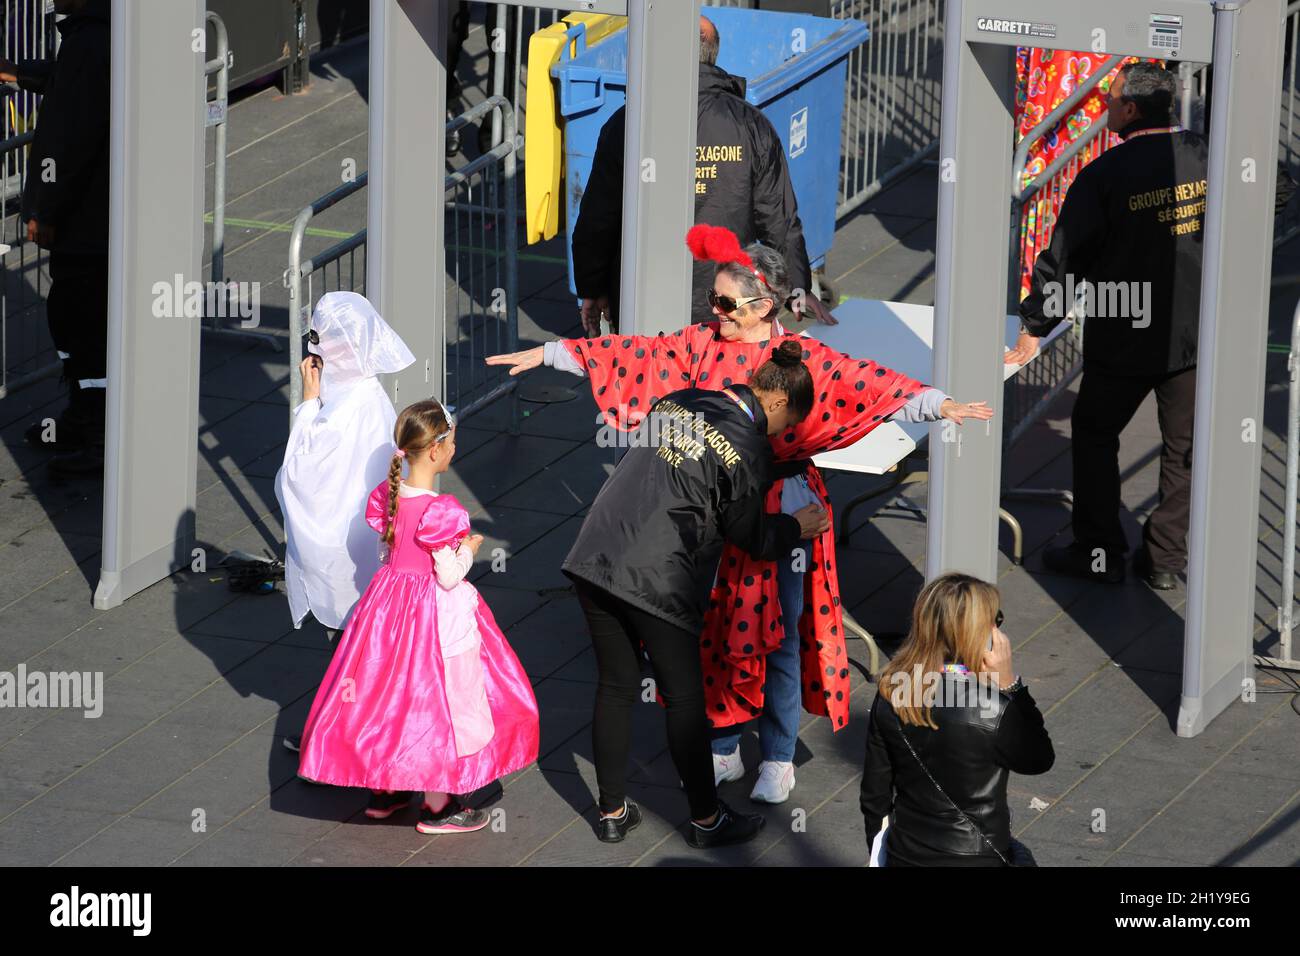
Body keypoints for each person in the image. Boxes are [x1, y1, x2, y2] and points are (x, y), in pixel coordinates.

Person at [488, 226, 993, 804]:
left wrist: (935, 403)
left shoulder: (799, 360)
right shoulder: (701, 344)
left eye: (727, 303)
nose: (715, 311)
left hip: (784, 507)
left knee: (780, 635)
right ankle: (724, 744)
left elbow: (866, 382)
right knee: (714, 628)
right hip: (714, 512)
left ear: (765, 305)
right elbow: (640, 356)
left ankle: (777, 757)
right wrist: (556, 353)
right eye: (714, 299)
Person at [563, 341, 831, 847]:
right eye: (786, 423)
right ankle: (708, 820)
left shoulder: (679, 399)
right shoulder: (750, 448)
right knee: (685, 699)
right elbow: (749, 535)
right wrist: (795, 526)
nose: (782, 434)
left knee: (616, 685)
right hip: (658, 576)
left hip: (596, 552)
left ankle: (612, 811)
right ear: (775, 404)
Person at [297, 399, 540, 832]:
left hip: (386, 606)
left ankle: (386, 791)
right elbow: (447, 576)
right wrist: (468, 549)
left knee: (387, 695)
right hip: (431, 611)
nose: (454, 451)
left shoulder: (388, 497)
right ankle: (439, 805)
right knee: (437, 701)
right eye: (452, 444)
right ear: (435, 452)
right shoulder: (442, 511)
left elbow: (386, 553)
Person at [1006, 62, 1201, 589]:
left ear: (1131, 110)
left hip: (1126, 333)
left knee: (1095, 435)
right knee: (1183, 448)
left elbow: (1068, 259)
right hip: (1195, 334)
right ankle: (1164, 560)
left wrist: (1034, 326)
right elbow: (1274, 190)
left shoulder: (1107, 175)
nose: (1107, 107)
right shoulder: (1211, 158)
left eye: (1111, 100)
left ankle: (1099, 553)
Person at [569, 15, 835, 334]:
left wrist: (592, 287)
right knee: (722, 383)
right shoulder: (751, 126)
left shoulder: (627, 123)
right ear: (714, 55)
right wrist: (797, 288)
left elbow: (598, 220)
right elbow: (779, 221)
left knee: (653, 381)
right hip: (727, 302)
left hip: (644, 301)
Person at [859, 573, 1054, 867]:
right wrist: (1011, 686)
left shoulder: (892, 692)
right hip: (979, 855)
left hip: (906, 854)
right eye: (995, 620)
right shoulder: (993, 707)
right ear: (976, 632)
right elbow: (1038, 759)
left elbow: (875, 797)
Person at [6, 0, 111, 476]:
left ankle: (97, 437)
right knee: (78, 321)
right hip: (96, 218)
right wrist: (20, 73)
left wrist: (43, 210)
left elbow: (71, 134)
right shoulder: (101, 32)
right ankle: (84, 419)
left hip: (85, 221)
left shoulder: (91, 37)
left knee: (80, 323)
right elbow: (73, 85)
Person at [275, 292, 414, 635]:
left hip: (340, 554)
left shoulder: (337, 414)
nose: (313, 348)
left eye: (316, 338)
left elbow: (296, 474)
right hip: (378, 552)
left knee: (351, 647)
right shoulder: (373, 397)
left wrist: (308, 404)